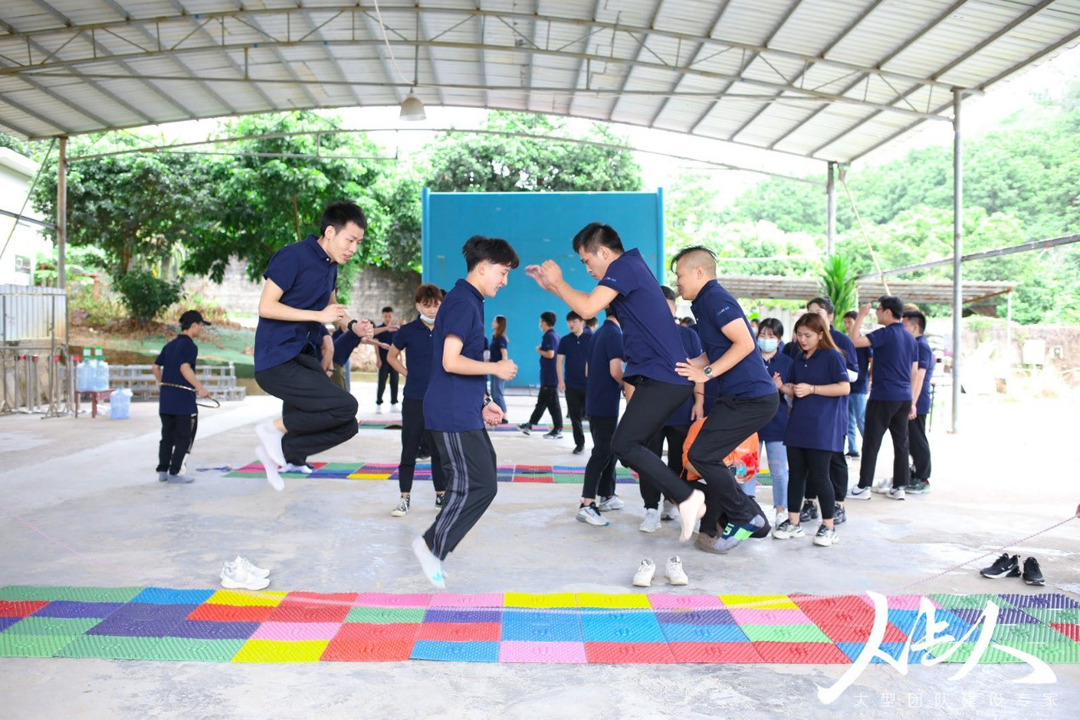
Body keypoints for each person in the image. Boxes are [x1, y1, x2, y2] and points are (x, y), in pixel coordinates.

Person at [525, 223, 704, 542]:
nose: (587, 268)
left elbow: (587, 307)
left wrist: (559, 282)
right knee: (625, 446)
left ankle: (689, 497)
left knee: (624, 444)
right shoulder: (629, 269)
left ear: (604, 252)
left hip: (665, 375)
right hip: (657, 376)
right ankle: (693, 499)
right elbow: (587, 301)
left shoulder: (625, 266)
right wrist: (552, 287)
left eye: (586, 260)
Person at [412, 236, 519, 588]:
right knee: (475, 483)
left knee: (483, 480)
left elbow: (460, 363)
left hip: (463, 408)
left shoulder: (471, 300)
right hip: (451, 411)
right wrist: (495, 368)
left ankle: (433, 545)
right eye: (503, 273)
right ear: (483, 268)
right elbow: (450, 361)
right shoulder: (462, 302)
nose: (505, 281)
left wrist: (483, 401)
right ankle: (431, 546)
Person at [252, 202, 373, 491]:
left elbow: (332, 307)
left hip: (303, 356)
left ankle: (281, 453)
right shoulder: (292, 256)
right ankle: (272, 430)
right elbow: (266, 307)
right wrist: (318, 317)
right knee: (346, 405)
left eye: (358, 243)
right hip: (276, 358)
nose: (353, 248)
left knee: (347, 423)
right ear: (330, 232)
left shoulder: (330, 267)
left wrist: (352, 325)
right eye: (350, 240)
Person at [670, 247, 779, 554]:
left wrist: (705, 373)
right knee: (705, 455)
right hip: (736, 398)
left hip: (753, 398)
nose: (677, 282)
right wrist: (692, 365)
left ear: (699, 273)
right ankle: (753, 518)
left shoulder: (715, 299)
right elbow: (718, 349)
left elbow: (744, 343)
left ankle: (745, 516)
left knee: (703, 455)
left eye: (680, 275)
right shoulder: (703, 303)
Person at [772, 313, 851, 547]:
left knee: (820, 476)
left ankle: (829, 527)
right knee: (796, 475)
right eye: (799, 334)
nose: (802, 339)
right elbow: (797, 389)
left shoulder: (833, 356)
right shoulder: (799, 358)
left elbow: (844, 387)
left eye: (808, 335)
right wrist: (782, 387)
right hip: (798, 424)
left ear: (820, 335)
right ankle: (793, 522)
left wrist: (813, 389)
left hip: (822, 426)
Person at [641, 285, 705, 533]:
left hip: (682, 410)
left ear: (675, 309)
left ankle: (671, 501)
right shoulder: (643, 335)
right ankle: (650, 508)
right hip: (651, 411)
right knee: (648, 459)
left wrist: (699, 402)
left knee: (679, 460)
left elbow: (698, 373)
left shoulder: (689, 337)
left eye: (666, 307)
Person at [847, 296, 918, 501]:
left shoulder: (885, 333)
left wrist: (861, 315)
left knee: (871, 442)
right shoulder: (910, 337)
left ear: (888, 312)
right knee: (901, 443)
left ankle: (864, 486)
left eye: (878, 310)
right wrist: (912, 400)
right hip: (904, 397)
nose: (876, 313)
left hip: (884, 395)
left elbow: (854, 341)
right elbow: (914, 372)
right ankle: (899, 487)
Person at [385, 284, 447, 517]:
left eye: (436, 305)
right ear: (418, 305)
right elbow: (392, 356)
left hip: (440, 399)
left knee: (439, 450)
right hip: (414, 398)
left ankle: (441, 495)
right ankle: (404, 498)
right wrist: (407, 373)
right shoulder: (407, 331)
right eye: (427, 305)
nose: (432, 310)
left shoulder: (447, 330)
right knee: (409, 448)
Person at [804, 297, 858, 526]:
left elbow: (853, 375)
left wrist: (830, 369)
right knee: (808, 458)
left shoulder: (842, 341)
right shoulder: (803, 341)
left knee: (835, 458)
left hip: (834, 412)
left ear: (830, 316)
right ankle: (809, 502)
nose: (812, 316)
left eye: (818, 312)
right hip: (808, 412)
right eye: (809, 312)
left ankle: (838, 504)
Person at [577, 306, 626, 526]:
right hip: (605, 404)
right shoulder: (615, 334)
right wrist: (629, 387)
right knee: (601, 453)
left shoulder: (598, 333)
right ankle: (587, 504)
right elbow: (616, 371)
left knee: (609, 450)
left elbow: (588, 371)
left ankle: (607, 494)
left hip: (596, 401)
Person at [152, 310, 212, 484]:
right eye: (200, 326)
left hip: (166, 400)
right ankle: (176, 472)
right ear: (193, 325)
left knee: (167, 437)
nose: (201, 329)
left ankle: (163, 471)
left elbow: (155, 367)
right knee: (184, 438)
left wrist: (164, 383)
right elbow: (185, 368)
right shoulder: (190, 346)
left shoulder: (169, 345)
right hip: (183, 402)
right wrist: (200, 388)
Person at [755, 318, 793, 529]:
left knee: (778, 470)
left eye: (771, 336)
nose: (766, 339)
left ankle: (781, 510)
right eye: (763, 335)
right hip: (751, 423)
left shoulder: (787, 362)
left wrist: (781, 387)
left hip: (778, 422)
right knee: (746, 469)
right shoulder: (750, 358)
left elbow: (793, 394)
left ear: (779, 339)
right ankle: (748, 507)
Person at [902, 309, 934, 494]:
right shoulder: (915, 344)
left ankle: (923, 478)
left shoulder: (922, 346)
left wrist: (912, 403)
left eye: (905, 325)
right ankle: (914, 474)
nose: (902, 328)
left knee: (917, 440)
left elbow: (919, 377)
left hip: (918, 401)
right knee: (911, 440)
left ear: (915, 327)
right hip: (913, 399)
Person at [518, 311, 563, 438]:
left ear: (544, 322)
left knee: (553, 404)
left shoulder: (549, 336)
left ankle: (558, 429)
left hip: (550, 376)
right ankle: (530, 424)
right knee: (542, 403)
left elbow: (550, 354)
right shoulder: (555, 335)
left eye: (540, 321)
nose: (539, 323)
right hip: (549, 375)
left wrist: (539, 350)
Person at [557, 311, 592, 454]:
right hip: (571, 385)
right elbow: (559, 361)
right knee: (574, 417)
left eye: (574, 321)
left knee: (593, 416)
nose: (571, 324)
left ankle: (598, 445)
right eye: (569, 321)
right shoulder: (565, 340)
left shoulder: (591, 338)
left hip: (589, 385)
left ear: (582, 322)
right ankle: (579, 444)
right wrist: (561, 380)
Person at [843, 310, 872, 459]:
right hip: (845, 386)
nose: (847, 325)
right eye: (845, 322)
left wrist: (869, 378)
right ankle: (852, 448)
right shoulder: (844, 341)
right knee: (848, 419)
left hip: (859, 386)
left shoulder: (863, 342)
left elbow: (872, 361)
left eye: (850, 322)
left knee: (861, 418)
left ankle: (869, 447)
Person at [372, 306, 400, 413]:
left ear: (392, 316)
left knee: (395, 382)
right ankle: (378, 404)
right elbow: (376, 345)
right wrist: (378, 359)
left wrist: (401, 359)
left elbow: (399, 346)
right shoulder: (379, 329)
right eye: (385, 316)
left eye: (389, 316)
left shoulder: (396, 330)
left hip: (394, 361)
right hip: (383, 360)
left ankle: (394, 404)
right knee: (381, 382)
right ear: (382, 317)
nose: (387, 318)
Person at [488, 315, 509, 415]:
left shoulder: (501, 338)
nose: (492, 323)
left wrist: (504, 369)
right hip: (493, 369)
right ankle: (499, 414)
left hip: (499, 370)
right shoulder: (495, 337)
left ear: (499, 324)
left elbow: (504, 354)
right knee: (493, 393)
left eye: (494, 321)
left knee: (497, 394)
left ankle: (504, 415)